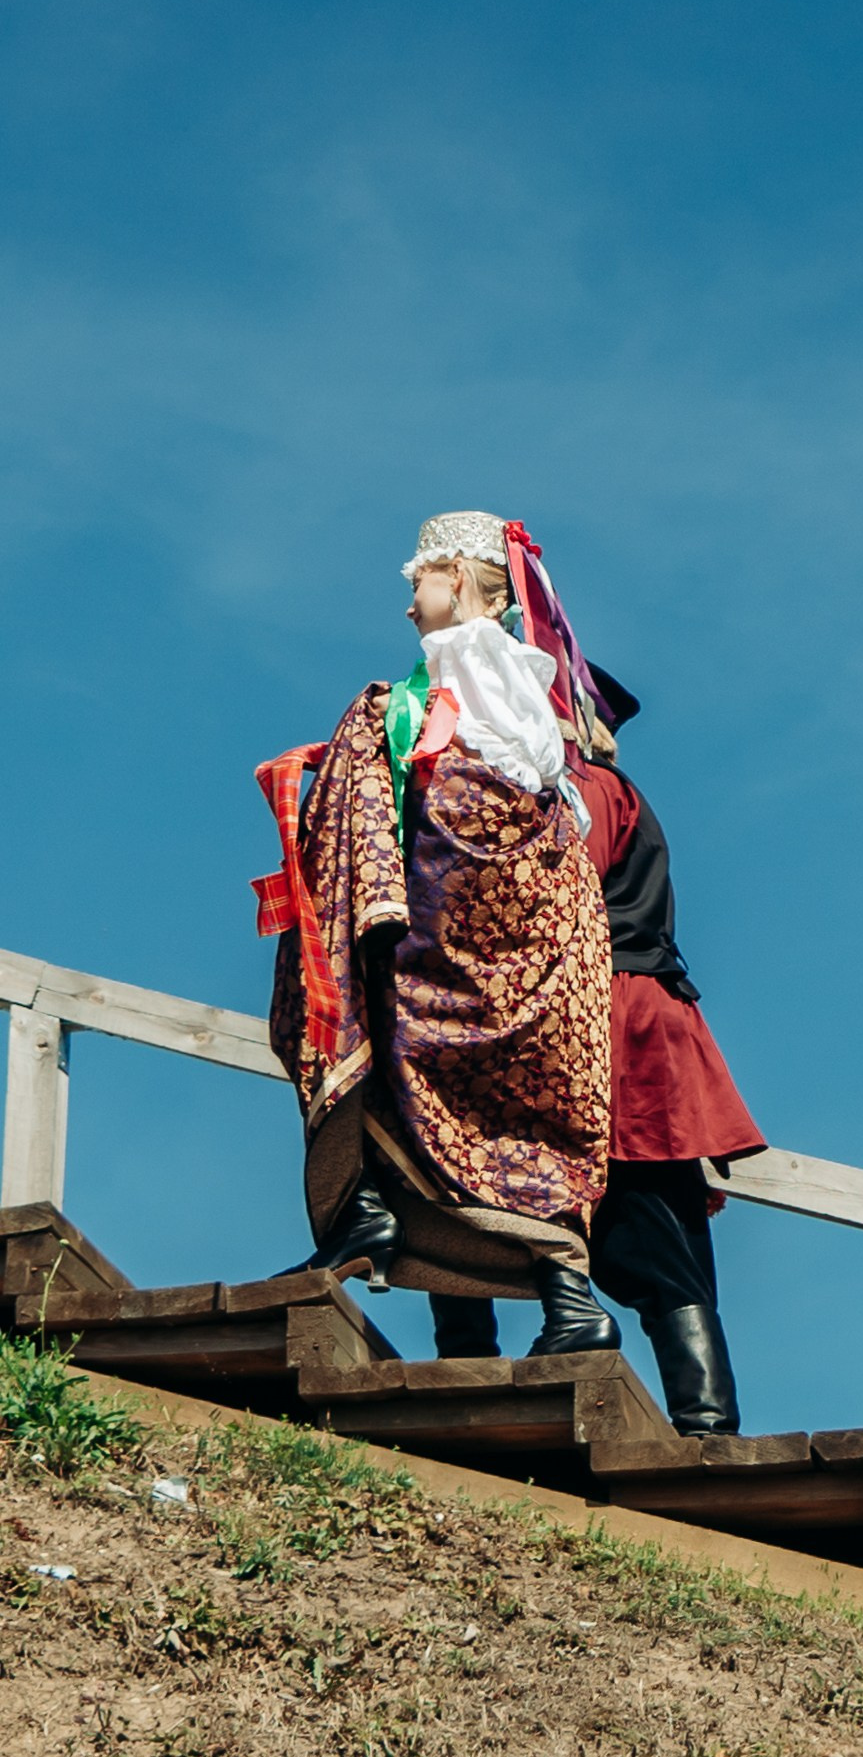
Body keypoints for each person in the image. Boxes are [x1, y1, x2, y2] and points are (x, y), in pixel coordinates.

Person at [252, 511, 618, 1359]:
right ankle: (561, 1298)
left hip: (453, 946)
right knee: (498, 1116)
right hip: (519, 955)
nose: (409, 606)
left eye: (417, 582)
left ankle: (371, 1219)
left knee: (405, 1060)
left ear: (456, 577)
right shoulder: (507, 685)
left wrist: (373, 749)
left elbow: (470, 803)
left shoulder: (464, 671)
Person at [569, 668, 766, 1433]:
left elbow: (560, 898)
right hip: (637, 1017)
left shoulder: (589, 789)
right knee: (659, 1233)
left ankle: (707, 1426)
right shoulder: (609, 788)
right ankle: (704, 1420)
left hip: (620, 1024)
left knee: (653, 1228)